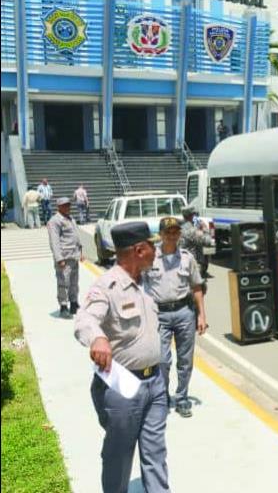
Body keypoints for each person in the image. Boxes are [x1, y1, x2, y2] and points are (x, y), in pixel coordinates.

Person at [73, 222, 170, 493]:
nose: (156, 251)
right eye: (152, 246)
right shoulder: (107, 287)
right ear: (139, 250)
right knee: (119, 455)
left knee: (156, 452)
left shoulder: (147, 282)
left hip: (156, 383)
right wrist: (97, 338)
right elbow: (84, 319)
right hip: (123, 388)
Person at [143, 217, 207, 418]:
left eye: (175, 232)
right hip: (159, 314)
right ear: (161, 234)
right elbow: (139, 286)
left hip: (184, 312)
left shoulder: (187, 258)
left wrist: (201, 316)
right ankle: (162, 398)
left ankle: (182, 398)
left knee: (185, 360)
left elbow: (197, 287)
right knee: (162, 360)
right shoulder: (150, 257)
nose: (172, 236)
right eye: (168, 232)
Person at [48, 197, 84, 318]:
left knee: (74, 282)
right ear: (59, 207)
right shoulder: (55, 221)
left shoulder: (70, 218)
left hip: (74, 256)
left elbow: (76, 236)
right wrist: (59, 259)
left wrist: (81, 252)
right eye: (64, 205)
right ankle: (63, 306)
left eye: (68, 205)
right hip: (64, 258)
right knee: (63, 283)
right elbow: (54, 241)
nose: (68, 207)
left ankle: (74, 303)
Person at [179, 206, 214, 278]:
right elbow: (208, 241)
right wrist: (205, 229)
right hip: (192, 264)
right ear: (191, 216)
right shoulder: (192, 230)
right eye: (195, 215)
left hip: (180, 262)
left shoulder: (179, 227)